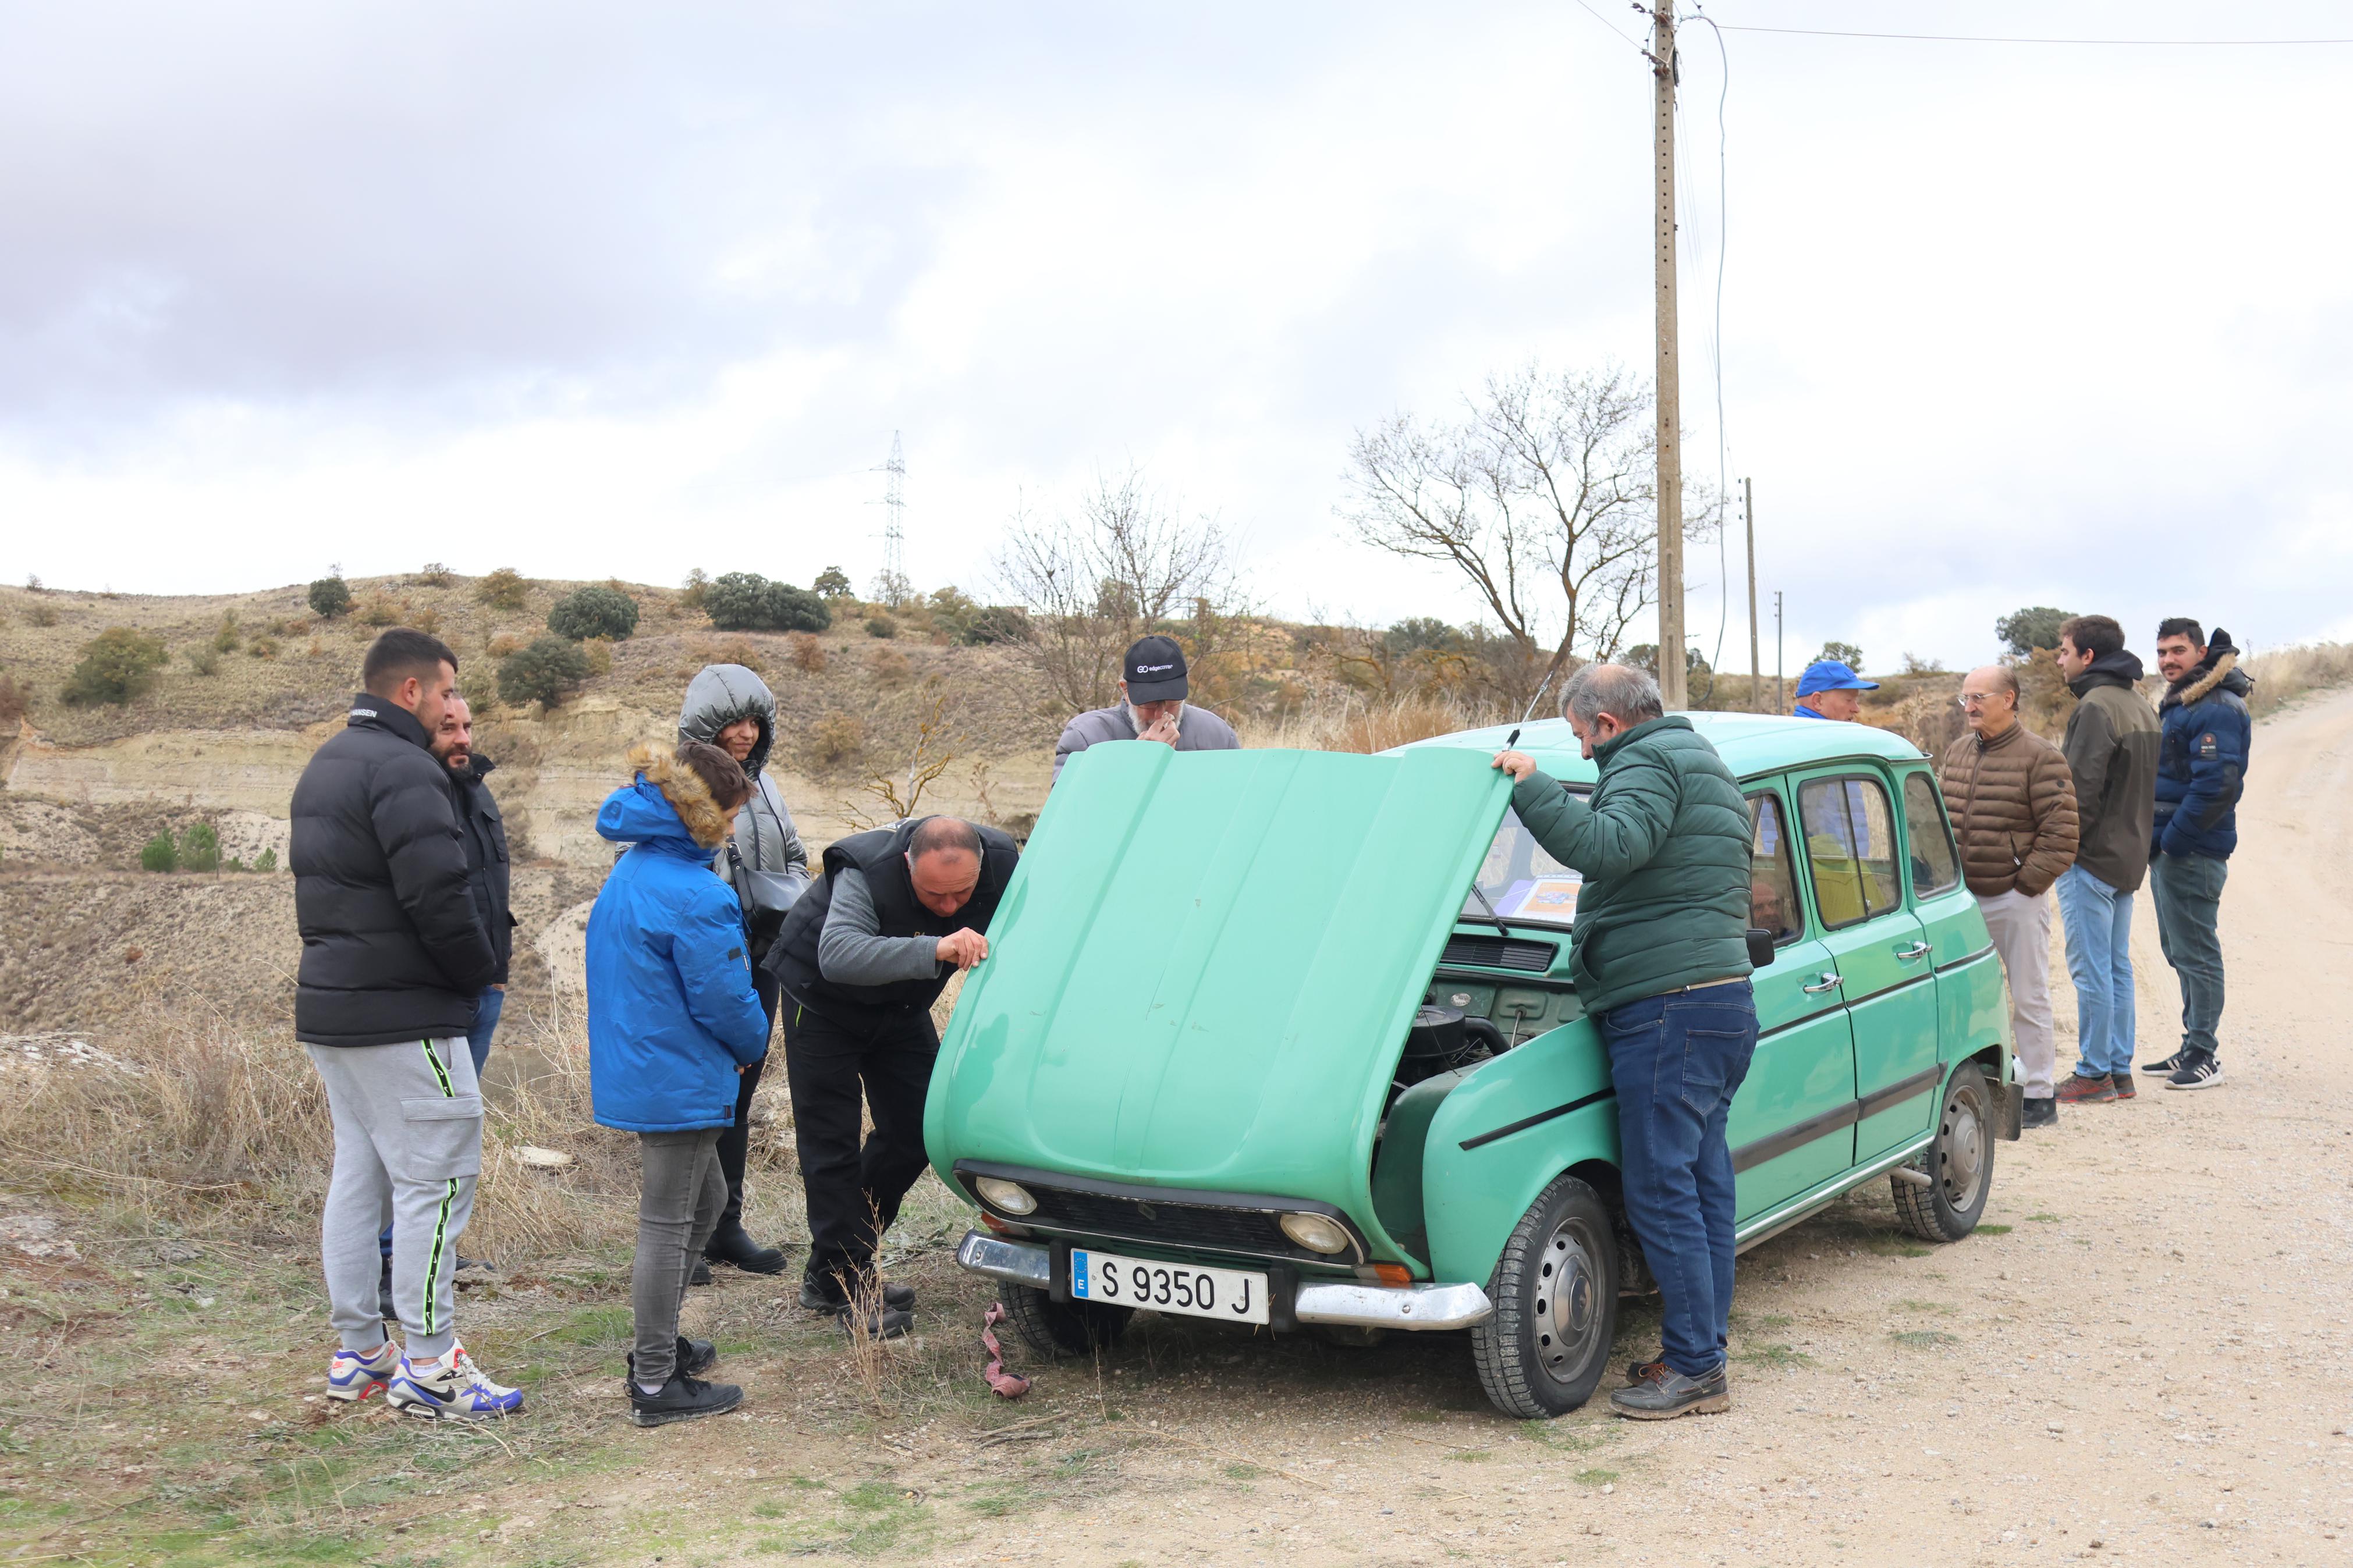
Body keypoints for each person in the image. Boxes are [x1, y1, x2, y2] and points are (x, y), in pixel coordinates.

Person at [1490, 664, 1756, 1421]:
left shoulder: (1642, 760)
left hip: (1667, 1008)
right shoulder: (1700, 759)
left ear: (1607, 722)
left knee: (1659, 1189)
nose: (1580, 753)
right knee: (1701, 1184)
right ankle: (1696, 1347)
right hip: (1718, 1000)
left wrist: (1530, 784)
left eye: (1580, 736)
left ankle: (1697, 1367)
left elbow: (1610, 844)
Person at [292, 628, 520, 1420]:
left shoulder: (329, 761)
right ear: (411, 690)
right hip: (404, 1012)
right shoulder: (404, 768)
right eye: (445, 690)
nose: (451, 706)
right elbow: (439, 895)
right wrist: (475, 973)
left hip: (336, 1008)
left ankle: (361, 1350)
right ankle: (431, 1365)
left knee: (362, 1175)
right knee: (437, 1178)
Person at [764, 815, 1019, 1338]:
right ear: (908, 864)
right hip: (820, 1001)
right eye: (933, 895)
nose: (949, 907)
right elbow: (838, 953)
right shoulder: (868, 868)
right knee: (830, 1144)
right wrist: (936, 947)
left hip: (899, 1007)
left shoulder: (1003, 859)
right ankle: (849, 1278)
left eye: (962, 894)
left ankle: (832, 1265)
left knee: (916, 1130)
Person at [587, 741, 772, 1426]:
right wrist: (752, 1045)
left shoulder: (636, 867)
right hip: (679, 1070)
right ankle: (656, 1381)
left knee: (705, 1201)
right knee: (668, 1223)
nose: (731, 829)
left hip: (645, 1059)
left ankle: (660, 1346)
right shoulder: (697, 894)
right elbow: (727, 998)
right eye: (727, 816)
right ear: (701, 815)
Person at [676, 663, 809, 1277]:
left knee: (737, 1095)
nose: (746, 733)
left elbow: (796, 856)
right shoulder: (677, 786)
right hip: (707, 962)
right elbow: (664, 878)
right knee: (700, 1098)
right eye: (733, 721)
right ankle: (686, 1234)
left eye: (755, 720)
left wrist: (799, 902)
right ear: (704, 724)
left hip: (763, 958)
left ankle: (723, 1227)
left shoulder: (770, 785)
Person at [376, 695, 512, 1293]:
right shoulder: (414, 793)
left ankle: (438, 1250)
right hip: (435, 992)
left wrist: (498, 971)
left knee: (450, 1135)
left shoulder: (476, 789)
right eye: (447, 726)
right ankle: (389, 1260)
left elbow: (489, 888)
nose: (461, 737)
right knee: (412, 1138)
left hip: (482, 988)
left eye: (467, 726)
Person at [1937, 666, 2079, 1129]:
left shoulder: (2041, 756)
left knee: (2028, 994)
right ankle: (1971, 1085)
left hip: (2013, 898)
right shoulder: (1957, 752)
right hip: (1960, 899)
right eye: (1965, 699)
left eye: (1978, 697)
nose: (1970, 707)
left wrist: (2025, 885)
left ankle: (2038, 1093)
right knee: (1961, 995)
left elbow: (2062, 834)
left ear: (2009, 698)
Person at [2052, 617, 2161, 1105]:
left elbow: (2078, 792)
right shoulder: (2141, 705)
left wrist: (2059, 849)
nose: (2059, 659)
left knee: (2091, 968)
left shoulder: (2095, 707)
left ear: (2087, 656)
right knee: (2115, 966)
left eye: (2063, 650)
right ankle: (2118, 1069)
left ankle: (2093, 1073)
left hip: (2091, 858)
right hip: (2128, 856)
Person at [2146, 621, 2251, 1091]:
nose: (2168, 660)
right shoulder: (2184, 700)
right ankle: (2191, 1043)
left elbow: (2217, 786)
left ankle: (2205, 1053)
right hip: (2170, 845)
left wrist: (2173, 841)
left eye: (2178, 651)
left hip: (2190, 848)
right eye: (2162, 652)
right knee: (2178, 949)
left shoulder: (2216, 706)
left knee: (2197, 952)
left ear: (2201, 651)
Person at [1051, 634, 1239, 784]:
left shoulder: (1219, 735)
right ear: (1125, 690)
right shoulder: (1085, 736)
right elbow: (1069, 814)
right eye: (1149, 703)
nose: (1161, 714)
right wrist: (1140, 762)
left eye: (1172, 700)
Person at [1791, 659, 1878, 721]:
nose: (1857, 709)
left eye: (1855, 701)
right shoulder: (1821, 740)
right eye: (1849, 700)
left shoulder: (1794, 733)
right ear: (1818, 701)